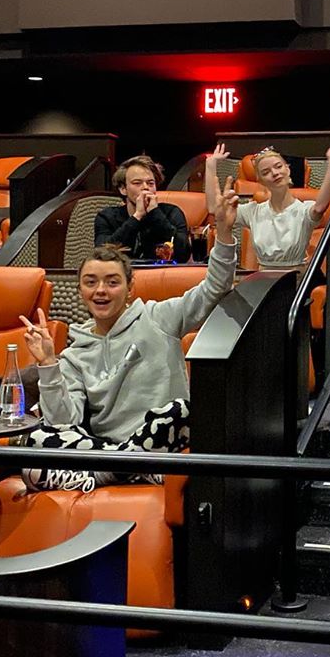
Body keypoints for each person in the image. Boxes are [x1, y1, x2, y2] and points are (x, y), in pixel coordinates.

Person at [17, 178, 240, 493]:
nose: (101, 291)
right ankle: (129, 470)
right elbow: (65, 422)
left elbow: (214, 288)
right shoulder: (75, 353)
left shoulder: (158, 317)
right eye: (91, 282)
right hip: (108, 447)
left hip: (161, 441)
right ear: (80, 291)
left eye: (112, 282)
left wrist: (225, 234)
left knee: (180, 412)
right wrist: (49, 364)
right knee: (37, 436)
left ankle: (104, 473)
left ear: (129, 288)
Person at [204, 142, 330, 270]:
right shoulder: (253, 211)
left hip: (296, 280)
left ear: (288, 169)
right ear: (260, 181)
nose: (274, 173)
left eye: (278, 167)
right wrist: (210, 165)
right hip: (263, 281)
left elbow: (320, 207)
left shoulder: (303, 210)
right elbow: (214, 209)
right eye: (266, 172)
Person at [94, 155, 190, 263]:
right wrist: (137, 217)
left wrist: (155, 214)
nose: (145, 187)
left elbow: (184, 254)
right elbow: (102, 255)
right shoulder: (106, 217)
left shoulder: (172, 213)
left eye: (150, 183)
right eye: (137, 183)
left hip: (161, 271)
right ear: (123, 189)